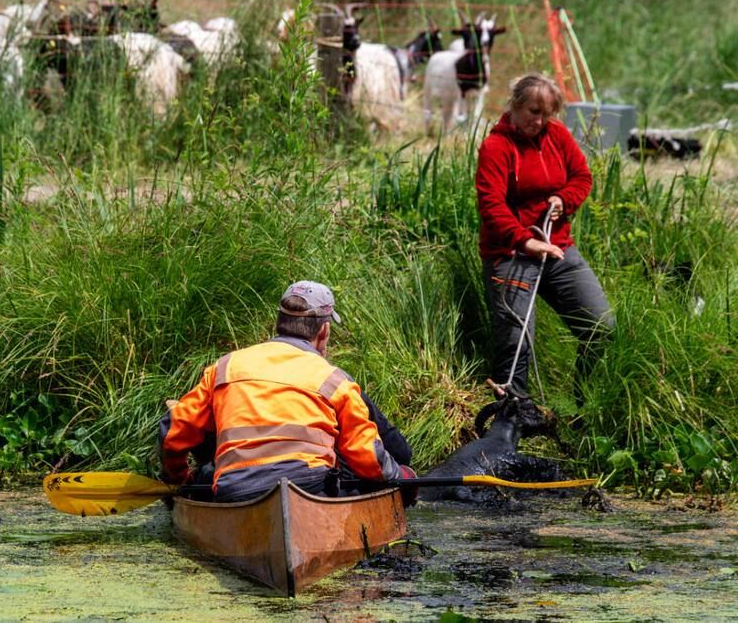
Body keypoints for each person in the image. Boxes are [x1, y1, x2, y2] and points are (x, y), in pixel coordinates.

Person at [157, 281, 414, 505]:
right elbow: (367, 455)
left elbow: (172, 434)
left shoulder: (225, 367)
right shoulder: (335, 380)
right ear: (324, 330)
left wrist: (180, 480)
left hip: (235, 490)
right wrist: (401, 477)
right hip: (309, 490)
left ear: (280, 323)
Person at [475, 72, 614, 406]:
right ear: (515, 105)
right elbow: (491, 204)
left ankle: (583, 405)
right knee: (517, 346)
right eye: (532, 112)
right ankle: (511, 421)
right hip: (509, 254)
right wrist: (525, 241)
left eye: (546, 114)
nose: (539, 121)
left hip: (557, 248)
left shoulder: (557, 135)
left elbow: (582, 176)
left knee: (601, 327)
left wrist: (564, 199)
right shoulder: (496, 147)